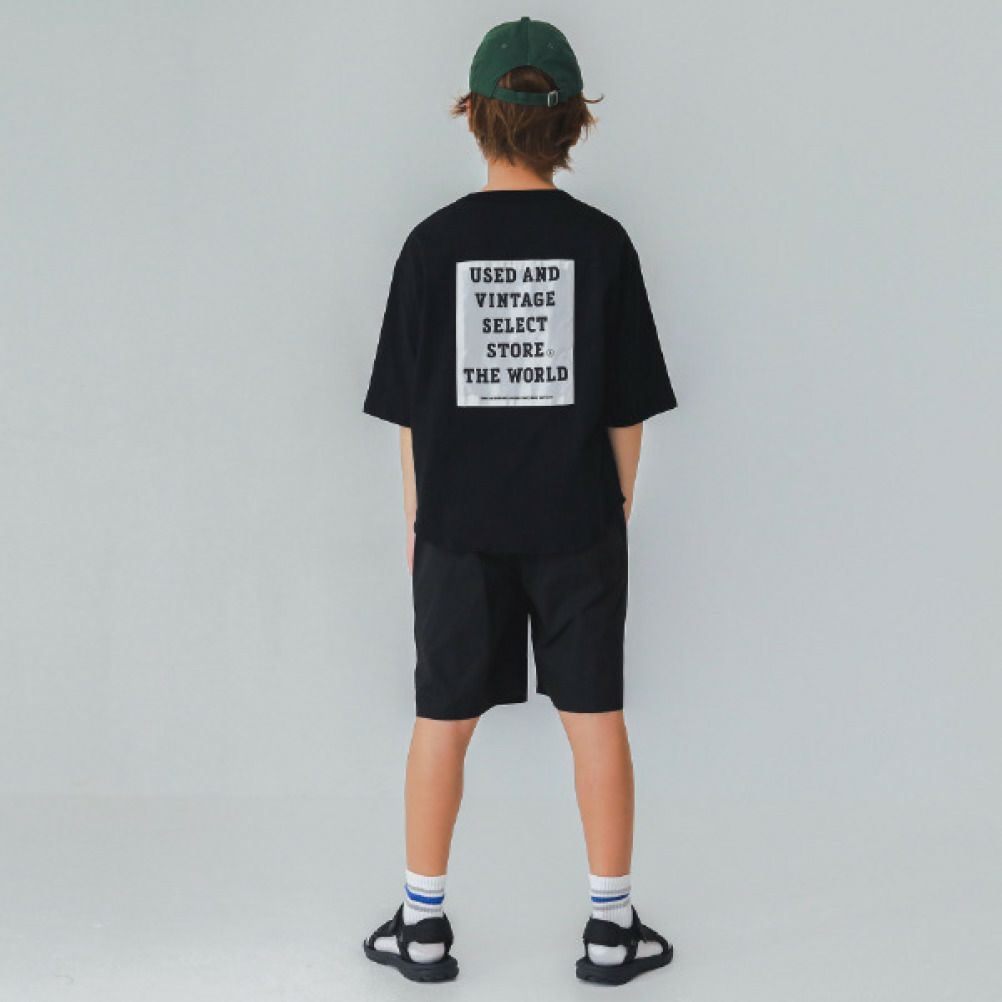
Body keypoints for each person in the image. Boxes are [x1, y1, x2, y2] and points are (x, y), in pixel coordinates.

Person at [360, 16, 678, 986]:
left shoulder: (431, 246)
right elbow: (627, 411)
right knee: (596, 717)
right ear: (573, 122)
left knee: (440, 722)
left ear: (475, 116)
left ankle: (421, 926)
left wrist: (417, 523)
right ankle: (611, 929)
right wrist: (615, 507)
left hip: (456, 529)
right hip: (578, 525)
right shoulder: (603, 246)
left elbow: (411, 417)